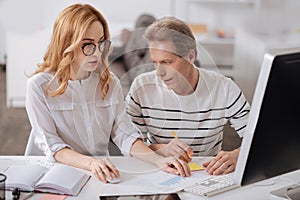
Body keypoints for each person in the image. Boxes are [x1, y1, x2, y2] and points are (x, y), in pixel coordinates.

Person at [25, 4, 191, 183]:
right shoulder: (39, 86)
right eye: (88, 45)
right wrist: (92, 163)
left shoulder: (110, 83)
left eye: (101, 43)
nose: (97, 53)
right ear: (67, 43)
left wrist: (159, 160)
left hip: (102, 173)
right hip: (58, 173)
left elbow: (125, 135)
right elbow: (53, 146)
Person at [126, 16, 250, 175]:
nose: (159, 72)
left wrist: (239, 155)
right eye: (155, 62)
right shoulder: (141, 87)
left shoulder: (224, 88)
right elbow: (128, 143)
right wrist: (161, 149)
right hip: (160, 172)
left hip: (208, 174)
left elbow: (258, 137)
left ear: (191, 56)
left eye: (167, 62)